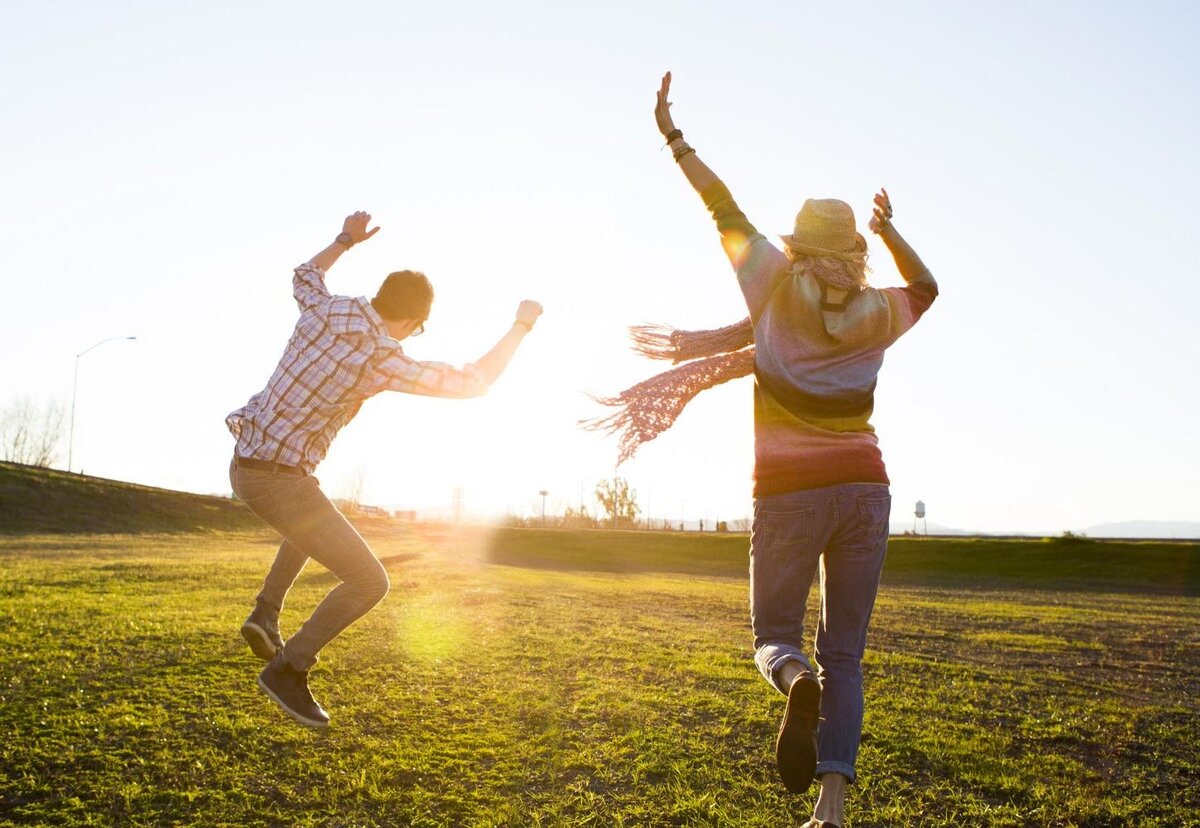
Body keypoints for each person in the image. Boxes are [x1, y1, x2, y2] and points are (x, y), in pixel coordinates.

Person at [611, 73, 937, 827]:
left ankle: (793, 682)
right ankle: (829, 810)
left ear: (795, 245)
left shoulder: (768, 282)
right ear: (854, 250)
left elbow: (718, 203)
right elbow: (927, 285)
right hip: (865, 487)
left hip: (786, 492)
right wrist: (890, 232)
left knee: (773, 639)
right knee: (847, 654)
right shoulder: (880, 311)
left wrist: (673, 136)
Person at [227, 211, 542, 728]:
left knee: (312, 520)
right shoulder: (380, 355)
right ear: (414, 322)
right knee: (368, 581)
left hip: (246, 462)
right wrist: (521, 326)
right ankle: (288, 669)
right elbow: (470, 382)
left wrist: (346, 239)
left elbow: (304, 274)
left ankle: (266, 611)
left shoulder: (324, 310)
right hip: (276, 478)